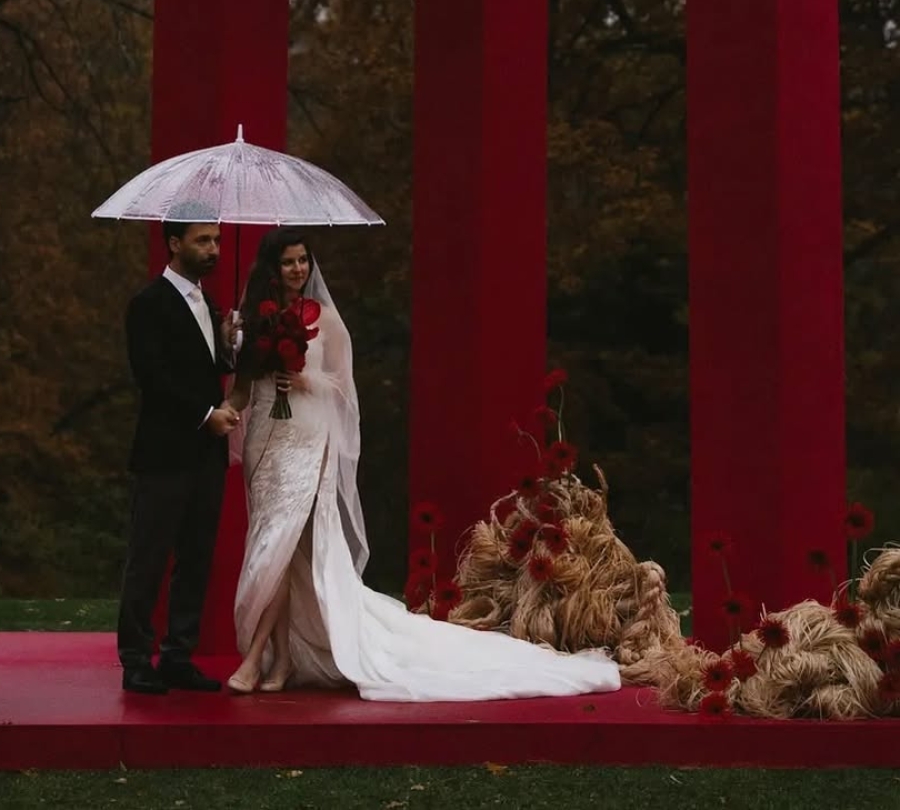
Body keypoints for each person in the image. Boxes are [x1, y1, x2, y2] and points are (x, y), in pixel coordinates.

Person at [222, 228, 622, 702]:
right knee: (280, 551)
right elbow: (242, 392)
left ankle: (257, 658)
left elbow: (343, 390)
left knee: (283, 547)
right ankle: (284, 659)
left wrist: (304, 380)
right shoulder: (252, 321)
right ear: (272, 267)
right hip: (266, 441)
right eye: (288, 262)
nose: (297, 270)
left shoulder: (325, 318)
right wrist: (228, 371)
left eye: (303, 260)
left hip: (308, 441)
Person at [116, 205, 241, 695]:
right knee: (148, 558)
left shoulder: (209, 303)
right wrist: (206, 415)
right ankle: (135, 659)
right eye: (202, 240)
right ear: (174, 243)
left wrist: (227, 347)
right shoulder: (148, 304)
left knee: (196, 558)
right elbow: (152, 377)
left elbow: (206, 370)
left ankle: (177, 655)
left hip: (206, 457)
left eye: (216, 241)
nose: (213, 250)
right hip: (164, 454)